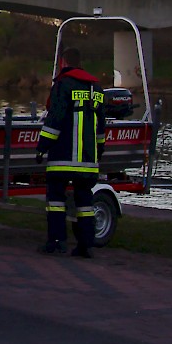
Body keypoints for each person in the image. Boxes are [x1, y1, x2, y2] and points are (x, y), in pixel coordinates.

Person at [35, 47, 105, 257]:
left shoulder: (62, 85)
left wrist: (41, 148)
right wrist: (98, 152)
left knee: (56, 200)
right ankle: (85, 245)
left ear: (63, 63)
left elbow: (54, 120)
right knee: (85, 202)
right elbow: (101, 127)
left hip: (63, 158)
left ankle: (56, 241)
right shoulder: (96, 88)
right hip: (88, 161)